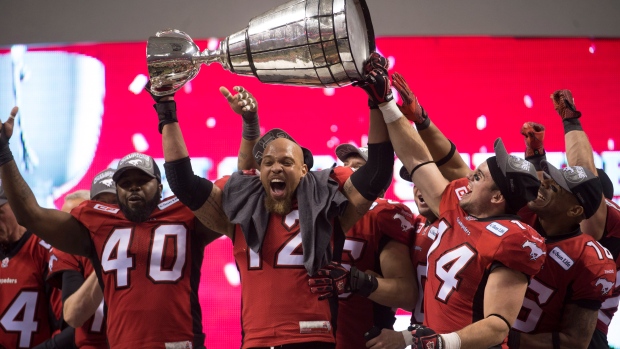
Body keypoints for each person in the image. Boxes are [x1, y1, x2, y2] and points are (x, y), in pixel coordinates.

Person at [150, 53, 396, 348]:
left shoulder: (328, 205)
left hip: (312, 340)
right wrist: (166, 109)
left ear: (305, 170)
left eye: (286, 162)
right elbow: (182, 182)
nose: (276, 167)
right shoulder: (240, 210)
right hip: (256, 341)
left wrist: (378, 101)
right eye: (267, 162)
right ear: (259, 171)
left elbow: (378, 171)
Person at [0, 107, 219, 349]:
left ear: (159, 186)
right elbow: (30, 215)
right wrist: (3, 153)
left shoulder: (184, 215)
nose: (133, 188)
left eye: (142, 181)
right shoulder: (98, 226)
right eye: (125, 183)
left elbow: (236, 198)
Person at [365, 69, 545, 349]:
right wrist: (386, 102)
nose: (468, 178)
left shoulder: (513, 239)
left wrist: (443, 342)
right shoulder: (459, 206)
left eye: (478, 177)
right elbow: (417, 159)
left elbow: (498, 324)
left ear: (498, 197)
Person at [524, 90, 620, 348]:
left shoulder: (603, 222)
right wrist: (536, 158)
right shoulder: (571, 217)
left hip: (584, 330)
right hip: (552, 313)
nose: (548, 188)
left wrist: (570, 119)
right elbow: (547, 191)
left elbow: (583, 170)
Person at [364, 183, 440, 349]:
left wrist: (406, 337)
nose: (421, 188)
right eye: (416, 182)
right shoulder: (415, 225)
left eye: (425, 179)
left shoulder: (471, 229)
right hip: (422, 340)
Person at [48, 169, 117, 349]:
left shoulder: (147, 243)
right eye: (102, 204)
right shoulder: (65, 253)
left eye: (115, 203)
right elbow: (71, 317)